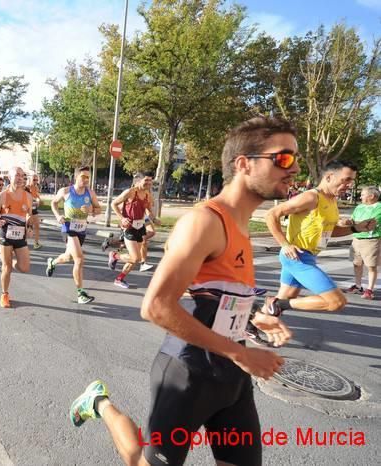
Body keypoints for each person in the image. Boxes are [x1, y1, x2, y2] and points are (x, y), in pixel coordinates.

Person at [69, 116, 296, 466]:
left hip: (231, 378)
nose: (293, 168)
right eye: (283, 158)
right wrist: (240, 354)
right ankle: (98, 403)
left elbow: (212, 296)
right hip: (187, 374)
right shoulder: (205, 221)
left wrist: (254, 320)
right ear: (243, 164)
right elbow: (157, 307)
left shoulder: (242, 226)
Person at [263, 161, 376, 315]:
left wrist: (356, 228)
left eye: (352, 181)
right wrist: (284, 244)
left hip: (308, 255)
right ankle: (276, 304)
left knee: (279, 305)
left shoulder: (331, 200)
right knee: (336, 302)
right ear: (329, 177)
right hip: (297, 257)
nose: (349, 185)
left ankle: (255, 322)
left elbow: (329, 231)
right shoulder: (310, 197)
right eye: (346, 180)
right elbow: (271, 214)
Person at [45, 166, 102, 304]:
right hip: (68, 227)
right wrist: (58, 215)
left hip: (82, 229)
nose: (86, 179)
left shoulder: (91, 193)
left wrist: (91, 210)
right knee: (79, 259)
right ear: (76, 177)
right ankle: (80, 293)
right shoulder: (65, 191)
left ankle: (52, 262)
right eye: (83, 176)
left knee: (68, 257)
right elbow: (54, 203)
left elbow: (99, 209)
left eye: (88, 177)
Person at [0, 167, 33, 308]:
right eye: (17, 175)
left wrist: (30, 227)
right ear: (10, 177)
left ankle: (11, 260)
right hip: (5, 233)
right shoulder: (2, 195)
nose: (20, 178)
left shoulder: (28, 197)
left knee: (24, 267)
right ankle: (4, 294)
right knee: (6, 267)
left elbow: (29, 215)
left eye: (22, 175)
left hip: (20, 234)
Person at [108, 173, 160, 288]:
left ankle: (119, 279)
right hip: (129, 228)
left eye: (150, 181)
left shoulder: (148, 195)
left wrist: (154, 219)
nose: (148, 183)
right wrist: (122, 218)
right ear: (139, 181)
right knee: (136, 258)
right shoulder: (130, 192)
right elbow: (114, 204)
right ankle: (115, 256)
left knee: (135, 258)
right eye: (146, 181)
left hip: (140, 228)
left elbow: (148, 210)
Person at [345, 185, 381, 300]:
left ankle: (369, 290)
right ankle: (358, 285)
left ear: (371, 196)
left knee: (371, 265)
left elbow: (370, 223)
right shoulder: (359, 207)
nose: (360, 197)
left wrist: (355, 224)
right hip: (356, 239)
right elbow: (353, 220)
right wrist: (348, 222)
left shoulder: (379, 207)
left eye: (363, 194)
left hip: (371, 240)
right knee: (357, 263)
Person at [26, 174, 43, 249]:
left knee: (37, 226)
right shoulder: (26, 188)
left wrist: (38, 201)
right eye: (34, 180)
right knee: (27, 226)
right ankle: (22, 242)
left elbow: (37, 196)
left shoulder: (36, 187)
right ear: (30, 180)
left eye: (36, 180)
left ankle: (36, 243)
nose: (35, 181)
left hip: (34, 208)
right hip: (27, 210)